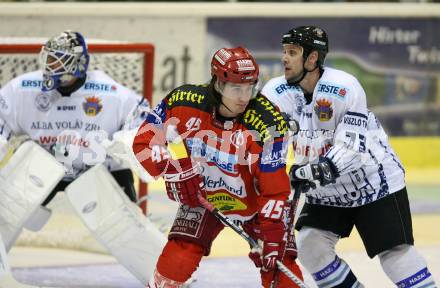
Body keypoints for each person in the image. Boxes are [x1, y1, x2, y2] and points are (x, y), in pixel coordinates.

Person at [262, 26, 437, 288]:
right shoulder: (275, 92)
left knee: (394, 254)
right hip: (326, 192)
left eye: (293, 52)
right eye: (284, 52)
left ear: (312, 58)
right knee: (311, 246)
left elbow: (352, 147)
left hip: (374, 184)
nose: (284, 58)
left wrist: (317, 170)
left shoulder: (344, 87)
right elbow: (266, 142)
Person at [0, 30, 165, 287]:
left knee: (125, 227)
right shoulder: (25, 88)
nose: (50, 67)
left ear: (79, 63)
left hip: (100, 169)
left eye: (59, 61)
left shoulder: (110, 92)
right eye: (49, 60)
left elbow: (143, 120)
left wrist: (116, 144)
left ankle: (167, 275)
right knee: (5, 209)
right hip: (44, 167)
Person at [133, 46, 304, 288]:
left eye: (250, 87)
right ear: (218, 83)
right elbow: (144, 140)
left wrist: (273, 232)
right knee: (177, 260)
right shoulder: (184, 101)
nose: (244, 97)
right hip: (204, 197)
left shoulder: (269, 122)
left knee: (281, 267)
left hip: (257, 203)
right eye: (236, 88)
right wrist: (173, 170)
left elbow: (274, 186)